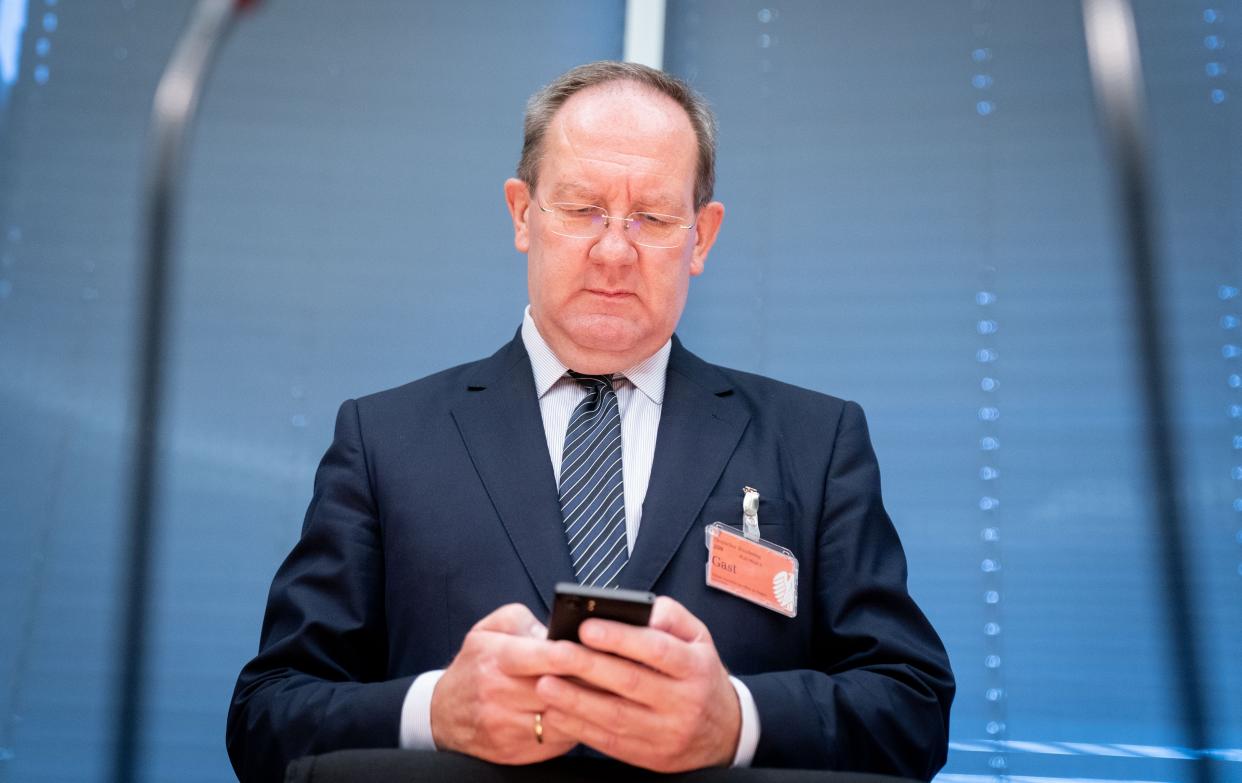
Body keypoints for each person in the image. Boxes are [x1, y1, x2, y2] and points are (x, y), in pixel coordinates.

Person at [226, 61, 954, 783]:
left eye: (653, 217)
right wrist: (434, 711)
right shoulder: (384, 440)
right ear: (522, 214)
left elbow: (912, 710)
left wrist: (735, 719)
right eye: (581, 209)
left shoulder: (814, 443)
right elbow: (266, 718)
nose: (613, 251)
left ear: (701, 237)